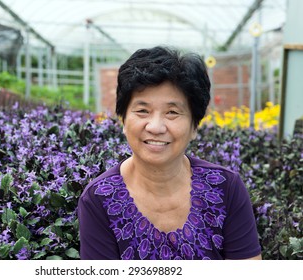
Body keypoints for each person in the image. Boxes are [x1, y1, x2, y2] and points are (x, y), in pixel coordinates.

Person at [77, 46, 262, 260]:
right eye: (142, 111)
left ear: (195, 126)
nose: (155, 126)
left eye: (172, 112)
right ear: (123, 120)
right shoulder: (99, 199)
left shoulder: (225, 188)